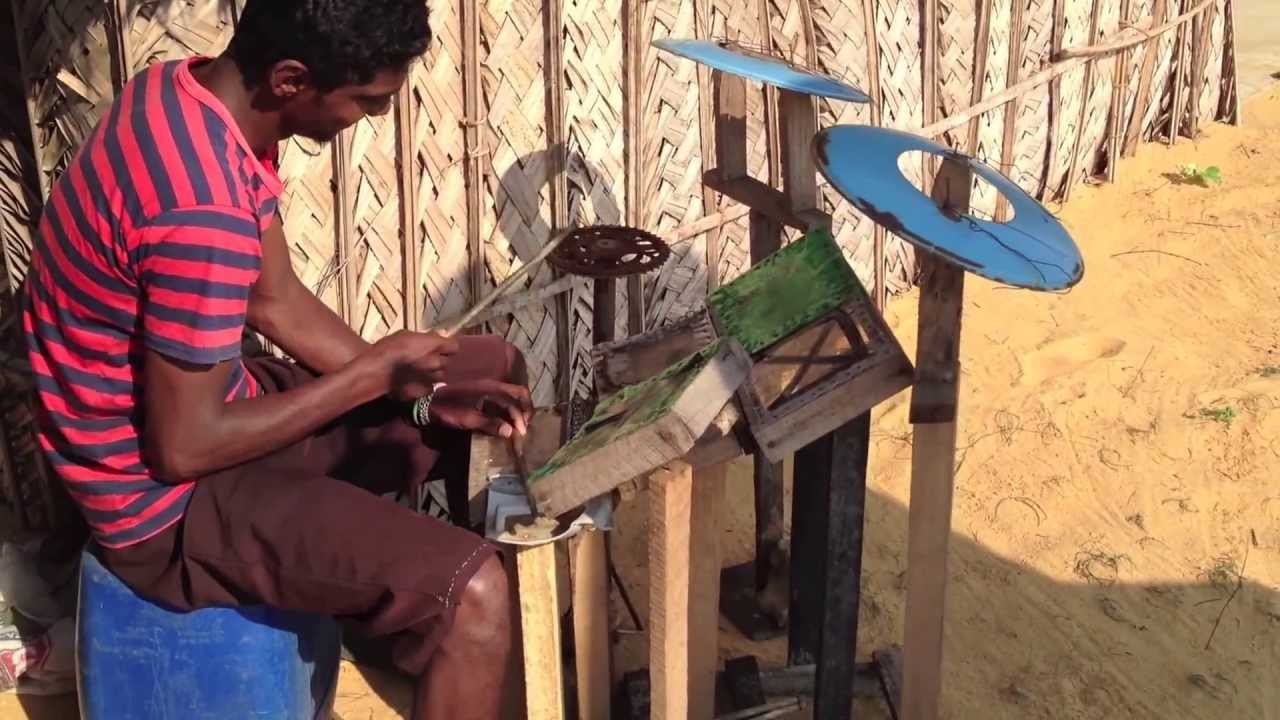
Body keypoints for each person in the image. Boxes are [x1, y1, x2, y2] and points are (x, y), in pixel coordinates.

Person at [20, 1, 528, 717]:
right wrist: (373, 375)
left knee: (485, 371)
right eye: (368, 101)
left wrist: (412, 389)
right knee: (472, 595)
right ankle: (442, 624)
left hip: (217, 413)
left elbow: (276, 300)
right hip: (163, 508)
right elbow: (183, 448)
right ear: (292, 79)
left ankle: (403, 617)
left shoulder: (182, 95)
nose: (374, 118)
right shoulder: (198, 212)